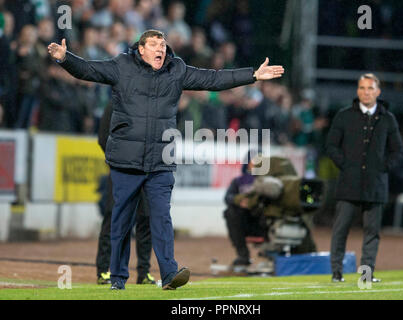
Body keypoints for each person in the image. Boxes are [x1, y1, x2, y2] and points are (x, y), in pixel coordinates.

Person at [47, 29, 284, 290]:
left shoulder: (177, 69)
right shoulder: (121, 66)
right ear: (141, 49)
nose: (160, 48)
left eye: (163, 44)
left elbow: (213, 79)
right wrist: (64, 58)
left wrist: (251, 75)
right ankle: (118, 278)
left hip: (160, 162)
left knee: (161, 217)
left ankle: (169, 274)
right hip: (126, 161)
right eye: (154, 44)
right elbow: (88, 70)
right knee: (121, 222)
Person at [326, 73, 403, 283]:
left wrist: (382, 168)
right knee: (340, 229)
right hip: (348, 182)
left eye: (370, 88)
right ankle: (336, 274)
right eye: (362, 88)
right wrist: (345, 165)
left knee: (372, 232)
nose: (365, 92)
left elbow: (398, 151)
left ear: (378, 92)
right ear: (357, 90)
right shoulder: (343, 115)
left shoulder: (388, 118)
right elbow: (331, 145)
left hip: (375, 184)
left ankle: (366, 275)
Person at [95, 103, 156, 286]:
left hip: (146, 168)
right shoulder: (115, 103)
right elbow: (103, 137)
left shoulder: (149, 103)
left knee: (146, 218)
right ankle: (104, 270)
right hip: (121, 169)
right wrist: (118, 160)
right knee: (114, 216)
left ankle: (144, 272)